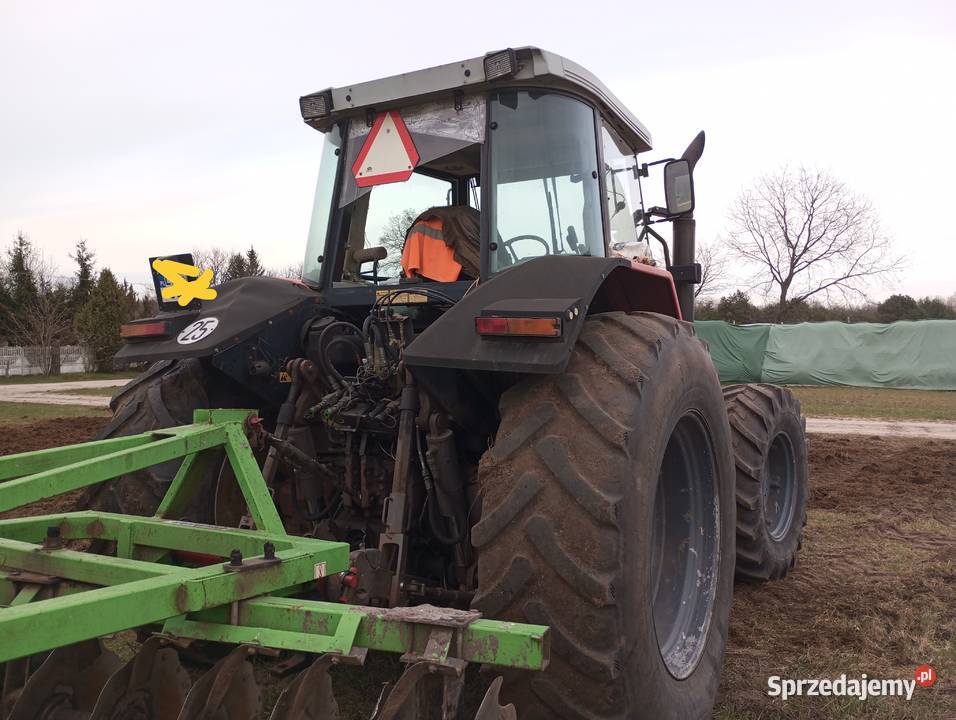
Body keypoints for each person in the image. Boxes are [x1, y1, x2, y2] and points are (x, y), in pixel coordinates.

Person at [400, 205, 480, 282]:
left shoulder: (419, 227)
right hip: (448, 275)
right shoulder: (469, 218)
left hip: (431, 274)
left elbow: (409, 268)